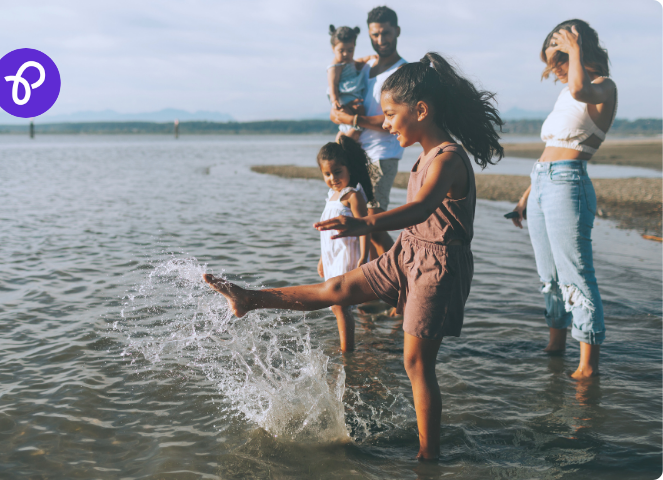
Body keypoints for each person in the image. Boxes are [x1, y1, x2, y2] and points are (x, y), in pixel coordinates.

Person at [204, 52, 503, 460]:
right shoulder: (423, 155)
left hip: (438, 267)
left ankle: (427, 457)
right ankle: (250, 298)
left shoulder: (448, 157)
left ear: (421, 110)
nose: (387, 122)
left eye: (391, 114)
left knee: (415, 363)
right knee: (337, 286)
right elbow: (414, 219)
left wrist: (363, 224)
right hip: (408, 253)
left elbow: (423, 208)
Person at [509, 20, 616, 380]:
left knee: (576, 276)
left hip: (569, 183)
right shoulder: (566, 91)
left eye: (559, 58)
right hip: (542, 183)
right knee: (549, 277)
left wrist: (573, 50)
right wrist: (527, 193)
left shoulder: (602, 86)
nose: (554, 70)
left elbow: (581, 88)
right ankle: (556, 345)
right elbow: (549, 148)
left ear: (577, 47)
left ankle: (588, 365)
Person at [330, 6, 406, 259]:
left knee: (372, 224)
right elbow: (340, 87)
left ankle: (404, 275)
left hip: (382, 154)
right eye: (375, 35)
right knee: (353, 221)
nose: (381, 40)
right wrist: (338, 112)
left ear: (397, 31)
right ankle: (374, 290)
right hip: (354, 153)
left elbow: (394, 118)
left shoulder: (402, 71)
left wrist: (353, 119)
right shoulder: (364, 66)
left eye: (385, 33)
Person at [316, 137, 374, 352]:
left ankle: (347, 351)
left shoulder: (352, 195)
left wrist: (363, 257)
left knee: (340, 305)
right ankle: (365, 336)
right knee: (335, 305)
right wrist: (322, 258)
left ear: (348, 168)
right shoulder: (331, 196)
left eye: (337, 172)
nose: (333, 178)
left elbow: (365, 227)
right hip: (332, 257)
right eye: (327, 174)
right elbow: (326, 232)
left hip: (348, 256)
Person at [326, 25, 374, 142]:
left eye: (350, 50)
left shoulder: (349, 61)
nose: (345, 54)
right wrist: (334, 101)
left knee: (353, 119)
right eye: (341, 51)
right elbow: (332, 85)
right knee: (354, 120)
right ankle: (344, 145)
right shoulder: (335, 66)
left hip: (353, 94)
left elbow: (358, 61)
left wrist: (370, 57)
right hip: (343, 97)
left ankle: (344, 140)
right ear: (333, 49)